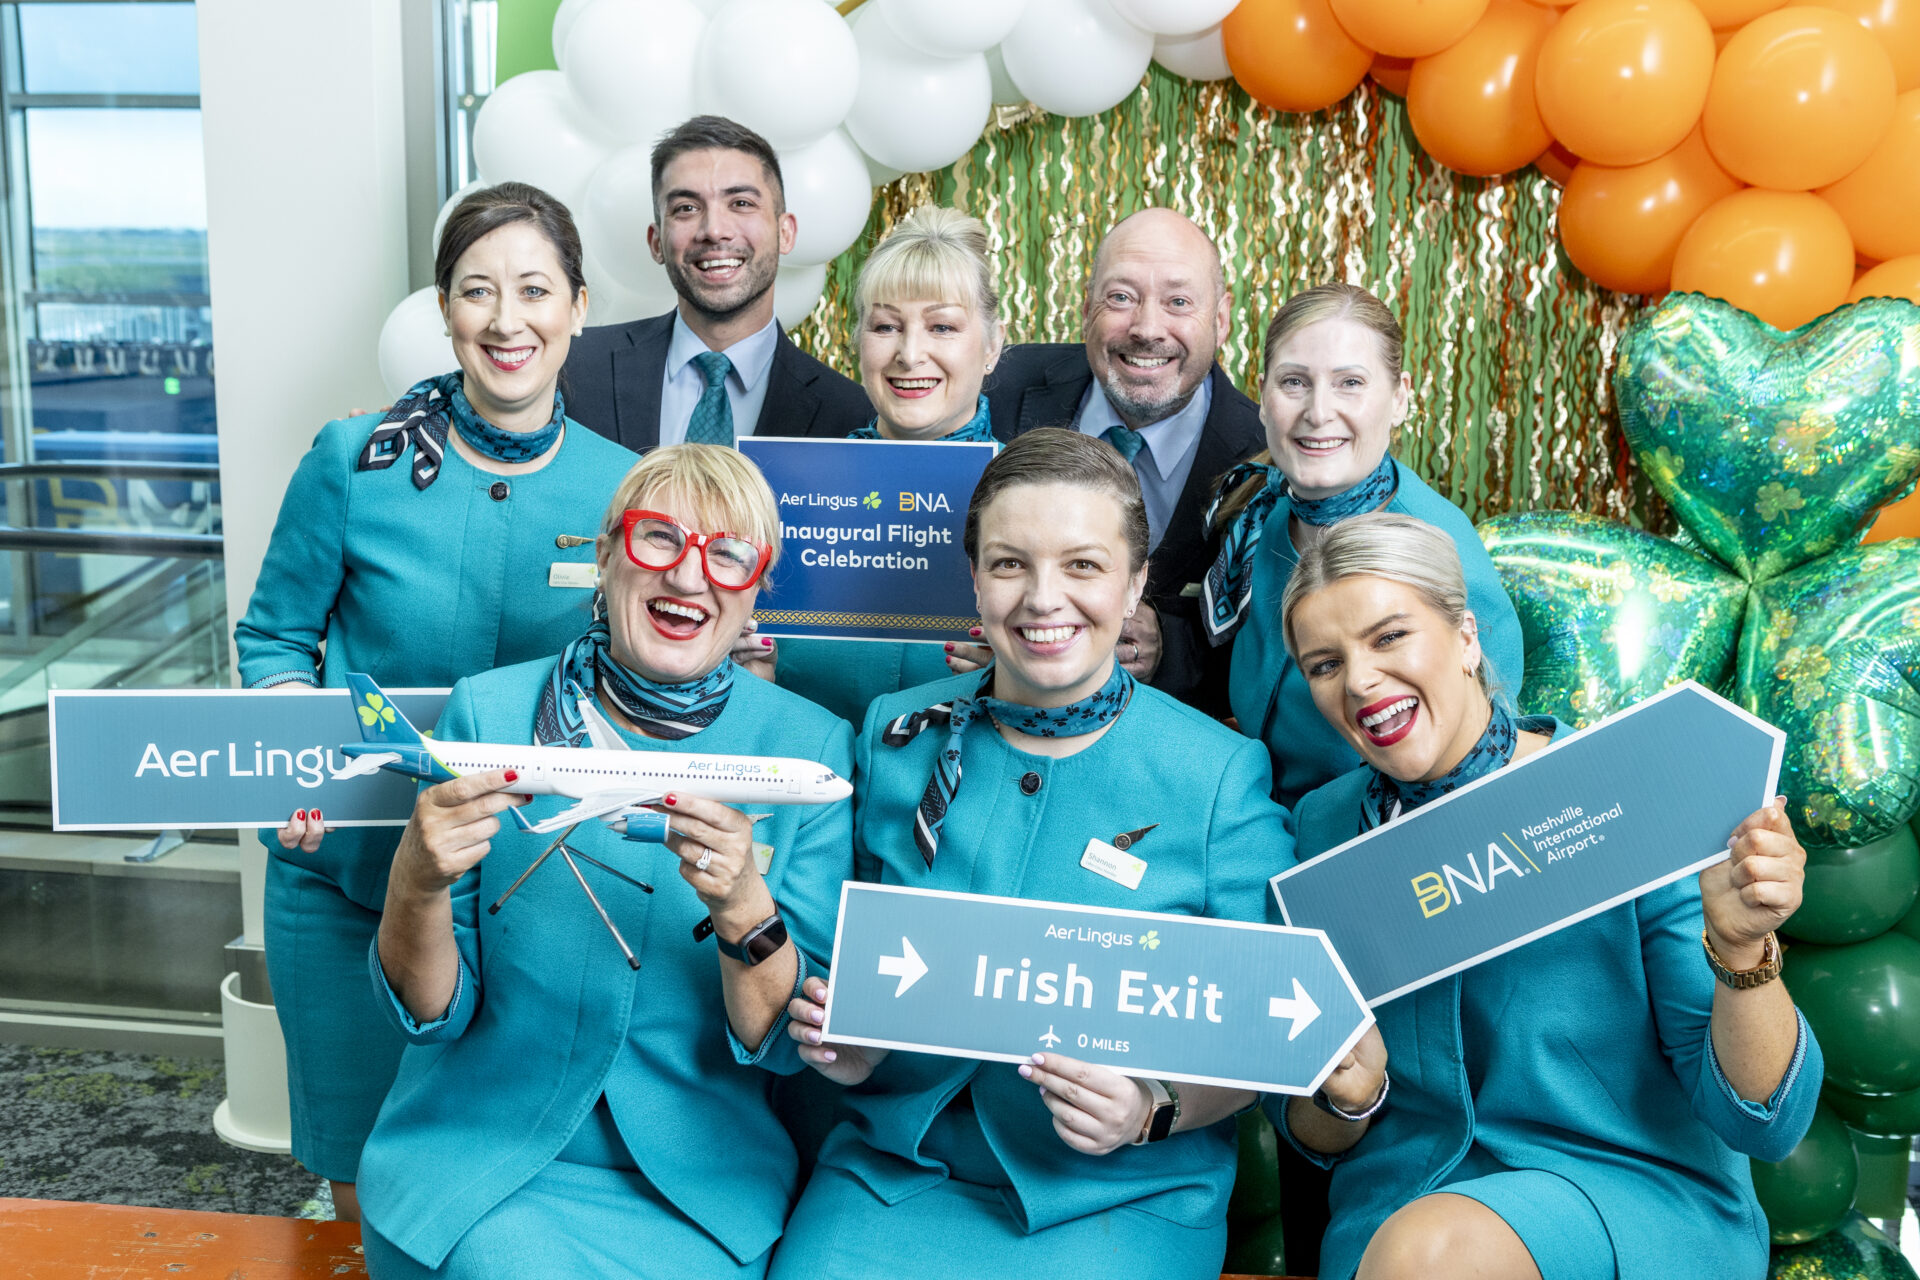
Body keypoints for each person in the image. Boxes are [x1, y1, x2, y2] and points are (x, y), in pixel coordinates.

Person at [763, 430, 1292, 1278]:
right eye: (1011, 564)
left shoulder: (1220, 774)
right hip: (894, 1171)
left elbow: (1265, 1029)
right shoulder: (895, 734)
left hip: (1121, 1193)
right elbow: (836, 969)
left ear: (1135, 584)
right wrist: (846, 1044)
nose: (1045, 599)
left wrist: (1151, 1107)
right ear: (974, 579)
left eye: (1083, 566)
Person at [1273, 512, 1821, 1280]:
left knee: (1431, 1252)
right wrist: (1347, 1101)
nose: (1360, 680)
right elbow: (1307, 1131)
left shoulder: (1622, 791)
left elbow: (1765, 1123)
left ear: (1467, 637)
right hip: (1396, 1208)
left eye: (1389, 636)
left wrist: (1740, 951)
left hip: (1626, 1194)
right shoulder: (1321, 830)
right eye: (1325, 664)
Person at [232, 183, 636, 1219]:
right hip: (350, 884)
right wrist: (293, 755)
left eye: (535, 289)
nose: (507, 320)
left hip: (533, 902)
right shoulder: (352, 460)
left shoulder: (627, 489)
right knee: (364, 1181)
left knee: (503, 1189)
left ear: (579, 306)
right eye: (477, 290)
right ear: (444, 308)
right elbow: (273, 637)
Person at [355, 444, 855, 1279]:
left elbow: (785, 1048)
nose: (688, 577)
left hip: (698, 1187)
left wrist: (743, 907)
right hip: (479, 1161)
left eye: (728, 555)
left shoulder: (811, 745)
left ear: (757, 590)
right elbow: (430, 1013)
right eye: (660, 538)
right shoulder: (491, 711)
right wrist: (416, 880)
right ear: (606, 553)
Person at [1209, 281, 1524, 809]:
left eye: (1350, 382)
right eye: (1294, 382)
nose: (1318, 412)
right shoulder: (1268, 519)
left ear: (1399, 398)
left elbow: (1478, 777)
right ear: (1262, 396)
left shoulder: (1437, 553)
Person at [984, 208, 1263, 713]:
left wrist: (1169, 647)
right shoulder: (996, 386)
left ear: (1221, 319)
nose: (1147, 328)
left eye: (1178, 302)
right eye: (1121, 298)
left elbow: (1273, 648)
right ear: (1086, 306)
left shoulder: (1265, 455)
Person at [769, 204, 1005, 724]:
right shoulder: (787, 492)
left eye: (942, 326)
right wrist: (746, 671)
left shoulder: (1036, 498)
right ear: (858, 340)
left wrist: (1024, 673)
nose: (910, 353)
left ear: (992, 345)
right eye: (886, 326)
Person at [562, 115, 870, 451]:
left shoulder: (851, 416)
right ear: (656, 242)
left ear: (785, 233)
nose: (714, 230)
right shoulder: (571, 368)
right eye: (687, 208)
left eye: (741, 204)